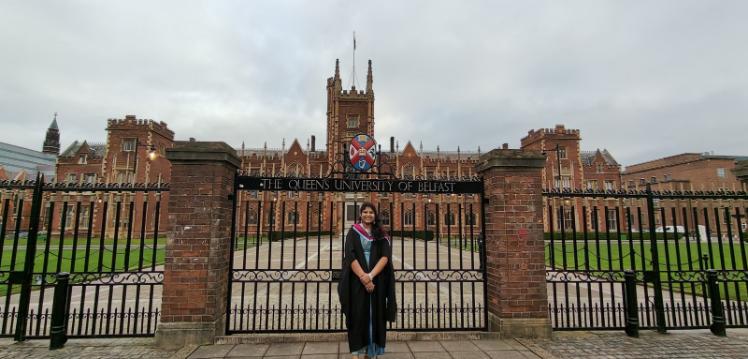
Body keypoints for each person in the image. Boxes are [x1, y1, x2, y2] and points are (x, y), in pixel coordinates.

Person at [338, 202, 396, 359]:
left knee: (375, 315)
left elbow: (385, 256)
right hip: (356, 279)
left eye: (371, 212)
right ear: (360, 214)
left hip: (378, 279)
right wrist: (363, 277)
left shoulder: (381, 233)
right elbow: (350, 256)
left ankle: (371, 352)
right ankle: (357, 351)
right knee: (358, 315)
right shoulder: (353, 232)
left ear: (375, 215)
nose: (368, 214)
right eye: (365, 212)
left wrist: (370, 276)